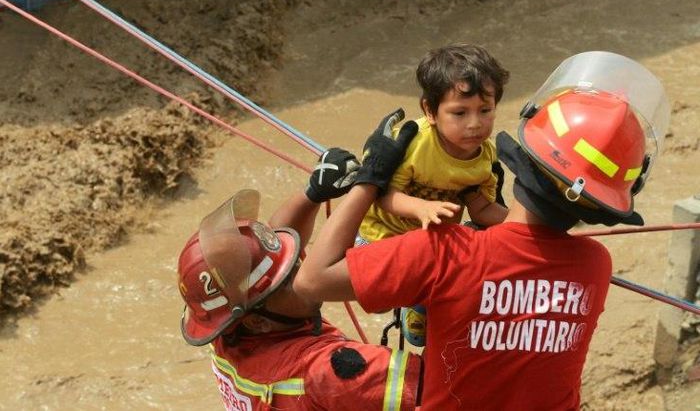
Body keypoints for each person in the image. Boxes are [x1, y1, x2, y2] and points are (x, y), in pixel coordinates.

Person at [294, 51, 670, 410]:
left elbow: (311, 281)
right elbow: (520, 251)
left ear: (523, 158)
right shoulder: (595, 267)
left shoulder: (445, 251)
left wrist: (369, 178)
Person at [176, 147, 422, 411]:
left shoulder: (228, 329)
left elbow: (273, 244)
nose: (305, 271)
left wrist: (313, 193)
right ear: (257, 320)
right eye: (289, 279)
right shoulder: (329, 371)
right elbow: (451, 385)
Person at [358, 43, 510, 346]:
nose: (474, 124)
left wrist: (527, 224)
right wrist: (421, 209)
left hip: (431, 245)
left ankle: (419, 301)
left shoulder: (485, 157)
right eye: (459, 113)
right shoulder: (414, 144)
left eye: (485, 110)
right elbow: (384, 195)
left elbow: (481, 210)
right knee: (378, 301)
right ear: (430, 111)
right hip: (382, 233)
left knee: (419, 336)